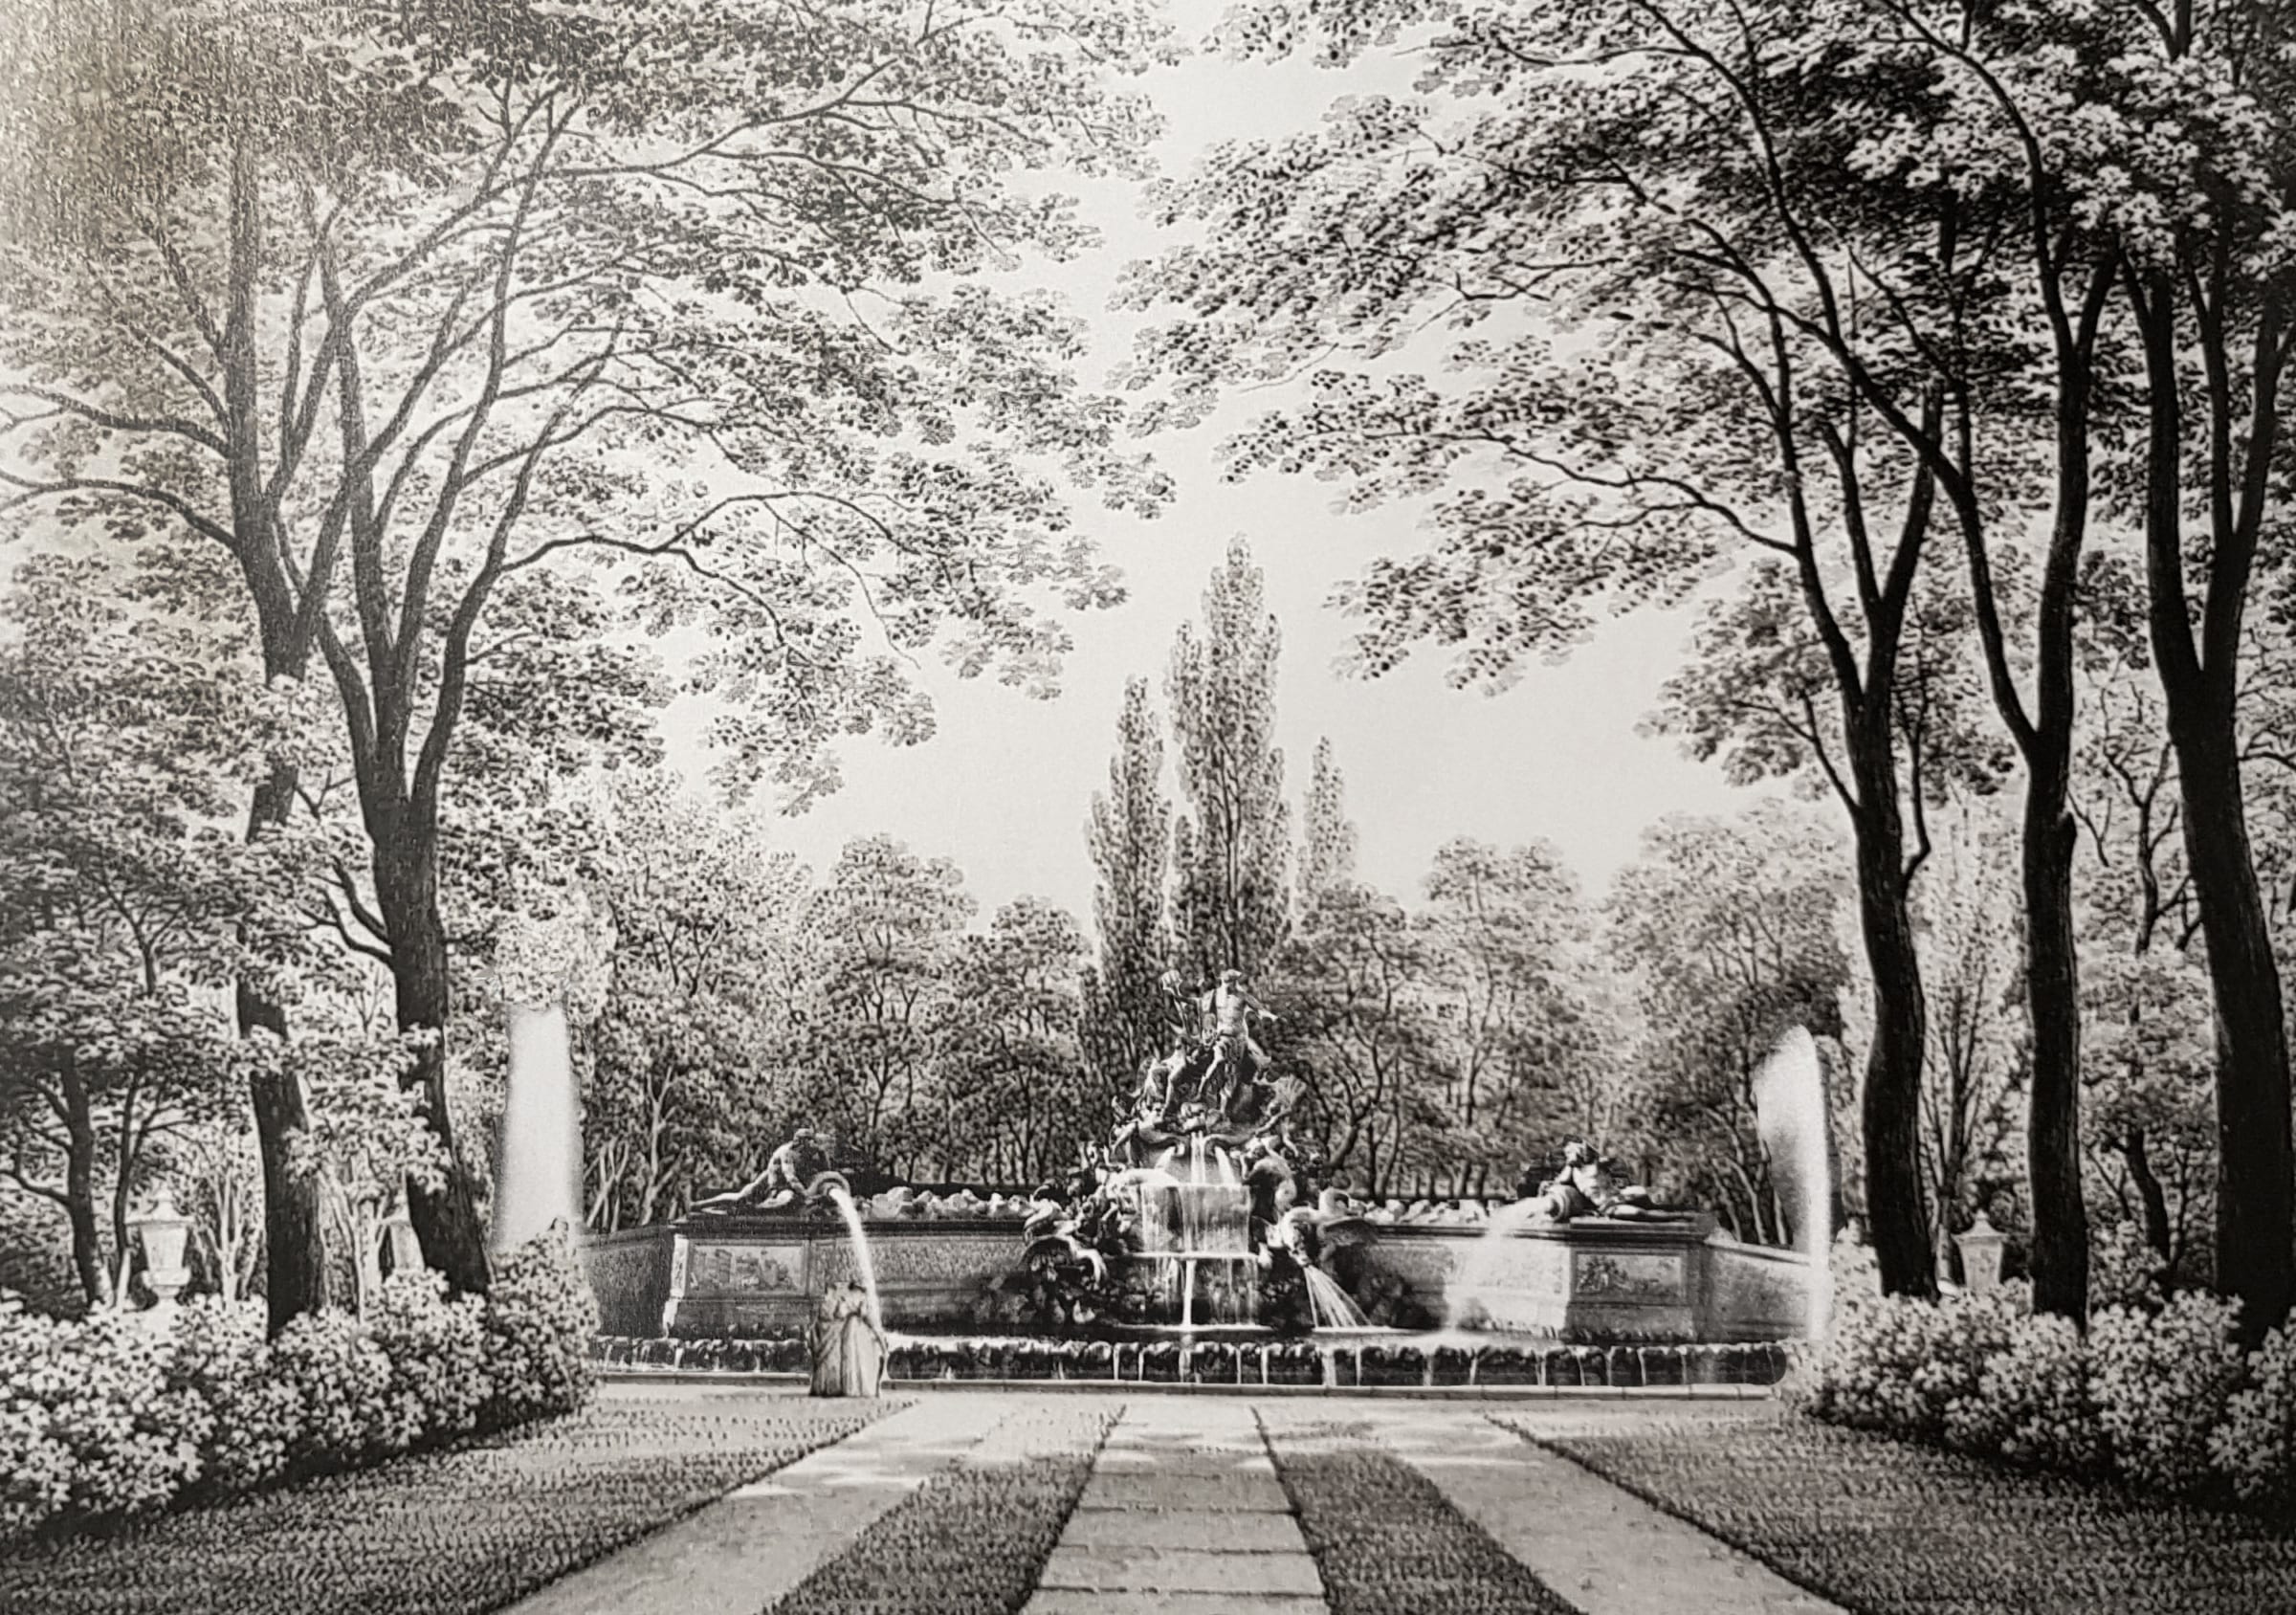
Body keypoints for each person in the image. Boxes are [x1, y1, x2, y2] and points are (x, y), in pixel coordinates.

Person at [1198, 968, 1277, 1114]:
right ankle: (1203, 1086)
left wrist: (1273, 1017)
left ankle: (1224, 1109)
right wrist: (1207, 1034)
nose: (1230, 985)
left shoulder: (1242, 996)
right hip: (1220, 1037)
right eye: (1227, 982)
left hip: (1238, 1039)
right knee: (1219, 1060)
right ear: (1222, 981)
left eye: (1233, 982)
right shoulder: (1214, 995)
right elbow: (1207, 1016)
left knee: (1233, 1073)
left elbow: (1259, 1009)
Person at [808, 1280, 886, 1398]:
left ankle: (852, 1387)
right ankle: (855, 1387)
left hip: (852, 1331)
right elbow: (863, 1315)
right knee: (856, 1359)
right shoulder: (857, 1299)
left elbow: (842, 1313)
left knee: (853, 1360)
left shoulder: (848, 1299)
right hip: (855, 1332)